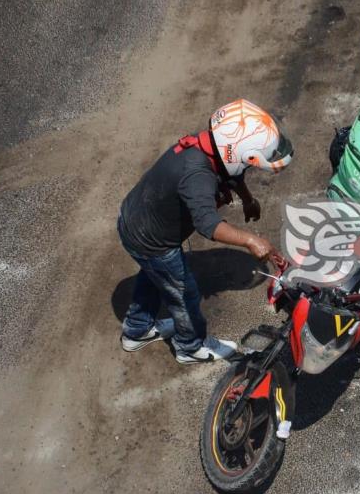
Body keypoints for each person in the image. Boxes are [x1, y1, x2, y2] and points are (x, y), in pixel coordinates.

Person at [117, 99, 293, 364]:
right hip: (152, 240)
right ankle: (189, 346)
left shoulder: (208, 146)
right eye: (249, 163)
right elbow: (208, 224)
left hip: (138, 222)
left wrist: (246, 198)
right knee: (185, 293)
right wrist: (250, 239)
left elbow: (231, 172)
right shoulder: (197, 176)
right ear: (235, 152)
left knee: (155, 276)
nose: (248, 168)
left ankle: (137, 330)